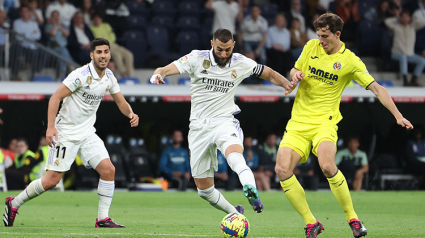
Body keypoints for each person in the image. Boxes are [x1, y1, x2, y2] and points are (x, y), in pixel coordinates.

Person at [275, 13, 413, 238]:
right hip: (298, 122)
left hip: (324, 123)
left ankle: (353, 218)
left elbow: (377, 88)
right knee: (281, 169)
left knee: (328, 166)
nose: (321, 40)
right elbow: (294, 69)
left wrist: (397, 115)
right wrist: (295, 74)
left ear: (337, 34)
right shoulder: (311, 46)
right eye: (319, 35)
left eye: (325, 36)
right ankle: (311, 223)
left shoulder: (350, 61)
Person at [149, 28, 295, 215]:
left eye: (227, 50)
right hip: (198, 128)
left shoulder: (240, 62)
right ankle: (235, 212)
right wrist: (159, 74)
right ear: (212, 44)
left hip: (224, 121)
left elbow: (268, 73)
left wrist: (286, 83)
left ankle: (250, 187)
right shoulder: (196, 58)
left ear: (233, 45)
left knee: (234, 155)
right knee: (204, 190)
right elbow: (166, 68)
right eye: (219, 49)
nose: (224, 54)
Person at [3, 38, 139, 228]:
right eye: (98, 52)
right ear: (92, 55)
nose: (103, 55)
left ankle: (102, 218)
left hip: (87, 133)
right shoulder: (81, 75)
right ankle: (14, 203)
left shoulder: (109, 76)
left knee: (109, 170)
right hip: (65, 133)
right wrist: (51, 127)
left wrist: (131, 113)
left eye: (106, 52)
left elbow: (121, 102)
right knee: (51, 181)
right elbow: (55, 98)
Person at [385, 10, 425, 86]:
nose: (405, 18)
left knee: (422, 61)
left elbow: (422, 23)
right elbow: (387, 21)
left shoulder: (413, 27)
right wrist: (397, 18)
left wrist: (412, 19)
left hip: (410, 54)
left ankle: (414, 79)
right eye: (403, 17)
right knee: (403, 57)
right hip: (397, 53)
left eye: (407, 17)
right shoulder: (396, 27)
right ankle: (405, 80)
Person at [91, 13, 134, 78]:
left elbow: (112, 36)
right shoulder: (92, 28)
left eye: (98, 18)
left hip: (113, 44)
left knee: (129, 54)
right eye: (95, 18)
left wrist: (106, 39)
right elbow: (97, 38)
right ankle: (123, 73)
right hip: (104, 47)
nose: (97, 20)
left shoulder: (106, 25)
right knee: (117, 55)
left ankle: (130, 75)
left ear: (101, 19)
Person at [45, 10, 73, 78]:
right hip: (53, 47)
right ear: (51, 17)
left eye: (57, 16)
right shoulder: (49, 26)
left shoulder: (63, 26)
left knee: (62, 55)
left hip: (62, 47)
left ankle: (62, 72)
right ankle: (71, 64)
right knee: (63, 51)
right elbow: (53, 33)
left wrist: (60, 27)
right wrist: (55, 25)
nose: (56, 18)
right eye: (54, 16)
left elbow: (67, 33)